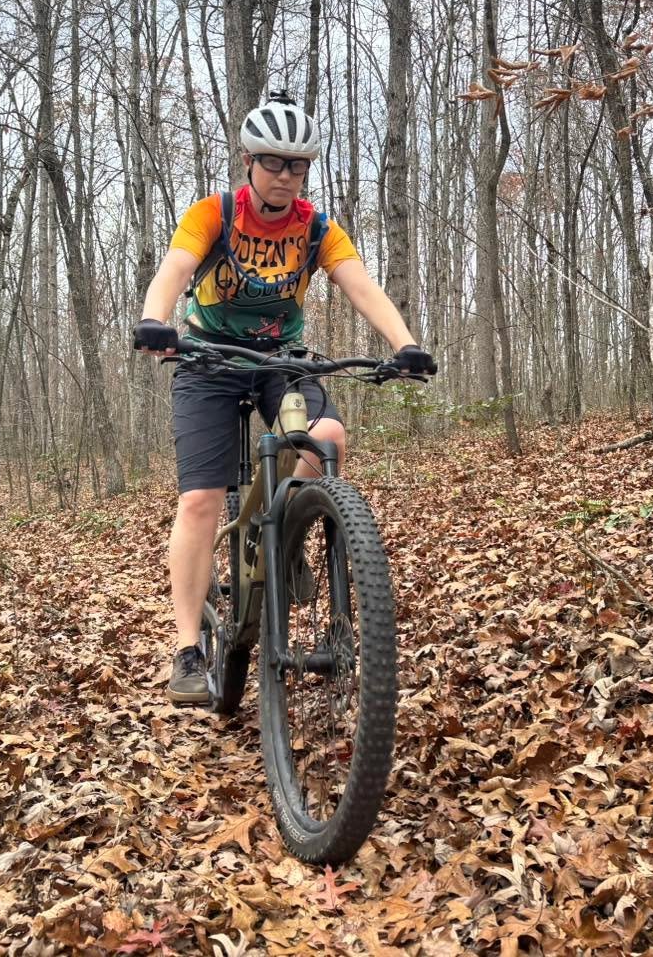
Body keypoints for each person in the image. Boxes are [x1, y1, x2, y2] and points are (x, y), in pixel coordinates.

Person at [133, 91, 435, 705]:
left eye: (297, 165)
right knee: (199, 500)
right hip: (208, 361)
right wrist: (155, 321)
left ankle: (289, 532)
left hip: (280, 362)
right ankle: (187, 648)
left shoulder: (316, 227)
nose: (285, 176)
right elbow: (174, 267)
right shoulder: (214, 214)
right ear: (248, 161)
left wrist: (404, 343)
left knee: (328, 438)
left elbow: (361, 285)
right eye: (273, 162)